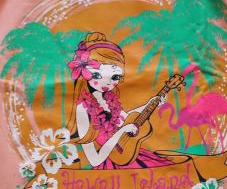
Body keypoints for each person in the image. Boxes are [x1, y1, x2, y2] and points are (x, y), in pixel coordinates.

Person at [66, 32, 170, 169]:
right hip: (111, 167)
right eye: (97, 75)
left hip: (131, 155)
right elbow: (94, 160)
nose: (107, 82)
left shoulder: (108, 99)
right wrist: (121, 132)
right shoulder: (83, 108)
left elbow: (127, 119)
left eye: (115, 77)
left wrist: (151, 103)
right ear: (83, 74)